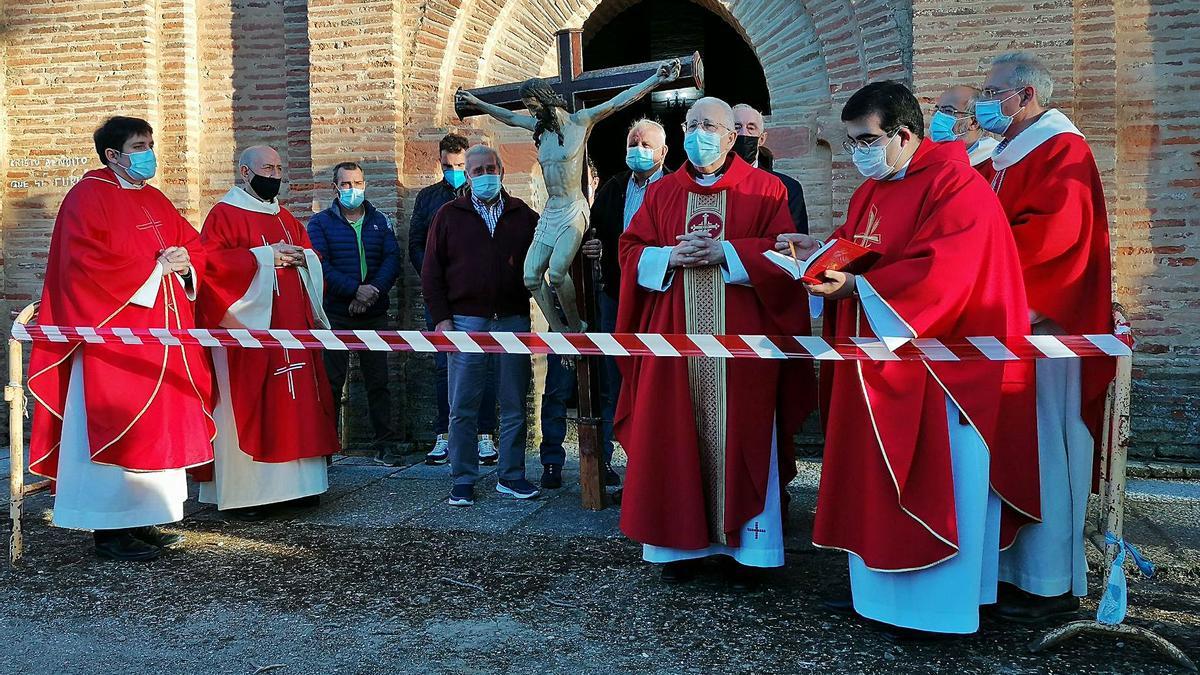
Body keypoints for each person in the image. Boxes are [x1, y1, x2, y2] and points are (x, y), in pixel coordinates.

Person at [781, 81, 1038, 639]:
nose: (858, 154)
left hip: (943, 372)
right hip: (880, 362)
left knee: (939, 482)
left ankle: (935, 609)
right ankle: (876, 596)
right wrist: (815, 256)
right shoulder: (873, 190)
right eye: (850, 143)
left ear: (903, 134)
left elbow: (945, 272)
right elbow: (859, 245)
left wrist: (853, 289)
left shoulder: (957, 187)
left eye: (866, 140)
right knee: (871, 483)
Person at [615, 97, 817, 587]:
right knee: (671, 435)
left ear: (732, 138)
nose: (697, 133)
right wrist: (667, 258)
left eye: (709, 125)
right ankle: (676, 549)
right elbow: (629, 250)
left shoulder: (767, 192)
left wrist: (727, 252)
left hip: (744, 345)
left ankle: (752, 553)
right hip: (674, 343)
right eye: (690, 124)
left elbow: (790, 254)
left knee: (746, 434)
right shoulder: (661, 194)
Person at [27, 116, 216, 561]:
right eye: (138, 145)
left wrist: (186, 259)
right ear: (112, 154)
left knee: (154, 432)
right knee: (111, 430)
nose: (148, 152)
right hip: (112, 343)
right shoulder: (87, 197)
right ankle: (108, 533)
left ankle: (140, 519)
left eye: (150, 143)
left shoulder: (154, 198)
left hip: (162, 339)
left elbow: (194, 246)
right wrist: (154, 268)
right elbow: (83, 265)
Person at [975, 51, 1115, 623]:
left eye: (993, 92)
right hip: (1004, 324)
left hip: (1042, 326)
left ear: (1025, 95)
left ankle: (1047, 579)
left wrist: (984, 281)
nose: (985, 103)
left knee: (1043, 450)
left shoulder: (1063, 150)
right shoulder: (1001, 153)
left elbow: (1055, 238)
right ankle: (1008, 570)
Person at [456, 59, 682, 332]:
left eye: (533, 105)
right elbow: (509, 117)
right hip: (552, 211)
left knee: (557, 271)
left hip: (574, 208)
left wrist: (654, 81)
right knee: (530, 276)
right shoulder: (541, 130)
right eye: (528, 107)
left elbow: (617, 102)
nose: (531, 111)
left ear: (545, 100)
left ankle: (575, 328)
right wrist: (478, 103)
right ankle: (560, 329)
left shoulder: (580, 122)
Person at [194, 145, 340, 519]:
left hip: (292, 328)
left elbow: (309, 254)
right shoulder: (224, 215)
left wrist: (302, 258)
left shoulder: (286, 217)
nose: (274, 175)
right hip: (249, 334)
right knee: (255, 403)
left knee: (299, 401)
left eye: (278, 168)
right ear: (245, 172)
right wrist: (263, 258)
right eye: (266, 168)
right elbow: (210, 266)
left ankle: (301, 487)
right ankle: (250, 495)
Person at [551, 119, 671, 491]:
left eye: (646, 143)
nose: (638, 148)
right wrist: (594, 250)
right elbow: (596, 235)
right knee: (609, 381)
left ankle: (656, 463)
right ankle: (605, 463)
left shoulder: (675, 189)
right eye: (633, 141)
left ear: (663, 152)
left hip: (660, 299)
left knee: (658, 382)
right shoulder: (614, 188)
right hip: (615, 298)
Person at [421, 145, 542, 506]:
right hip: (466, 320)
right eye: (478, 170)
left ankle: (512, 475)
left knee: (514, 402)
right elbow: (431, 271)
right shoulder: (448, 215)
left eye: (491, 167)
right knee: (463, 404)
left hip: (512, 318)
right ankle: (462, 478)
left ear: (502, 170)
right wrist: (442, 318)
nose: (485, 174)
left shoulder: (524, 215)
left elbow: (545, 255)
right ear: (468, 176)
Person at [408, 133, 500, 467]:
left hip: (479, 297)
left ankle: (485, 435)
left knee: (484, 364)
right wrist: (433, 276)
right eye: (448, 166)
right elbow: (416, 243)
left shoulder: (488, 195)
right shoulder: (429, 198)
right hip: (443, 297)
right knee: (443, 366)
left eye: (460, 166)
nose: (455, 171)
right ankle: (443, 434)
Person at [307, 161, 403, 466]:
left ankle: (385, 445)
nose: (353, 190)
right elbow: (320, 265)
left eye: (358, 183)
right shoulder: (320, 223)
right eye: (346, 184)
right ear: (335, 188)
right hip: (337, 312)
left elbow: (392, 259)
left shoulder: (380, 221)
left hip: (373, 311)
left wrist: (371, 291)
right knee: (333, 382)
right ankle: (327, 448)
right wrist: (353, 291)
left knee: (379, 381)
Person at [731, 103, 808, 233]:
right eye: (737, 127)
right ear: (727, 136)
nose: (744, 133)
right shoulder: (710, 184)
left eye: (751, 128)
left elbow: (794, 243)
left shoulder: (788, 187)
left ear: (761, 139)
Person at [929, 85, 999, 167]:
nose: (938, 116)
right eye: (937, 110)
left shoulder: (994, 162)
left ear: (974, 122)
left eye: (948, 110)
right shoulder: (932, 159)